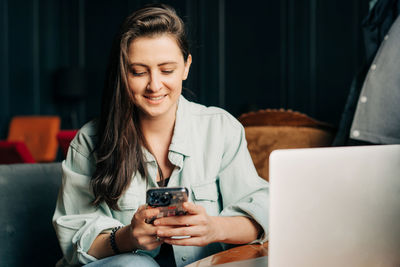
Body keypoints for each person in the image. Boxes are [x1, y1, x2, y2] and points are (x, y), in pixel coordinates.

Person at [53, 4, 269, 267]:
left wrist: (214, 228)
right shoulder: (88, 142)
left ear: (186, 66)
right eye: (139, 72)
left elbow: (262, 213)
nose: (154, 85)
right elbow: (75, 242)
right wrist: (127, 238)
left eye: (167, 70)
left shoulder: (221, 128)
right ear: (124, 73)